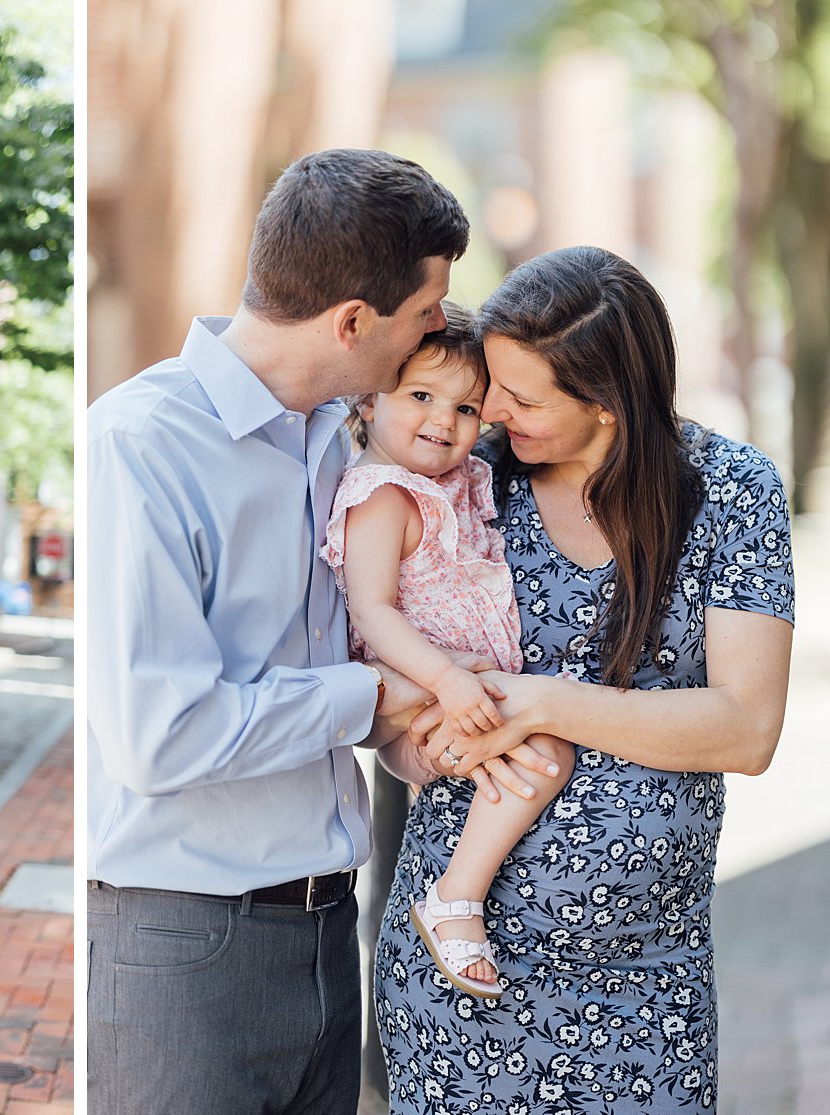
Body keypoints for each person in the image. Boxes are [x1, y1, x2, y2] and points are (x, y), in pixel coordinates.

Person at [87, 148, 470, 1115]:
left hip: (327, 930)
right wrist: (377, 697)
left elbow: (328, 660)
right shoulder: (140, 446)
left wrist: (412, 735)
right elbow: (160, 733)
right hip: (184, 951)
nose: (435, 333)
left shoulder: (342, 439)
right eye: (425, 313)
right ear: (352, 322)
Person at [374, 246, 794, 1114]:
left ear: (608, 404)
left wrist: (546, 699)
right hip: (463, 976)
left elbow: (748, 729)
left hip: (645, 982)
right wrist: (419, 749)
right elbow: (381, 665)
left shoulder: (733, 492)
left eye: (523, 399)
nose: (490, 409)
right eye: (494, 383)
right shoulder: (469, 479)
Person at [320, 303, 572, 1000]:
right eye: (421, 396)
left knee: (517, 763)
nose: (444, 419)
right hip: (422, 690)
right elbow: (372, 609)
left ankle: (460, 886)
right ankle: (455, 899)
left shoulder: (451, 483)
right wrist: (447, 681)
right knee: (549, 755)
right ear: (369, 398)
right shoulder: (381, 495)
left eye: (466, 407)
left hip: (444, 695)